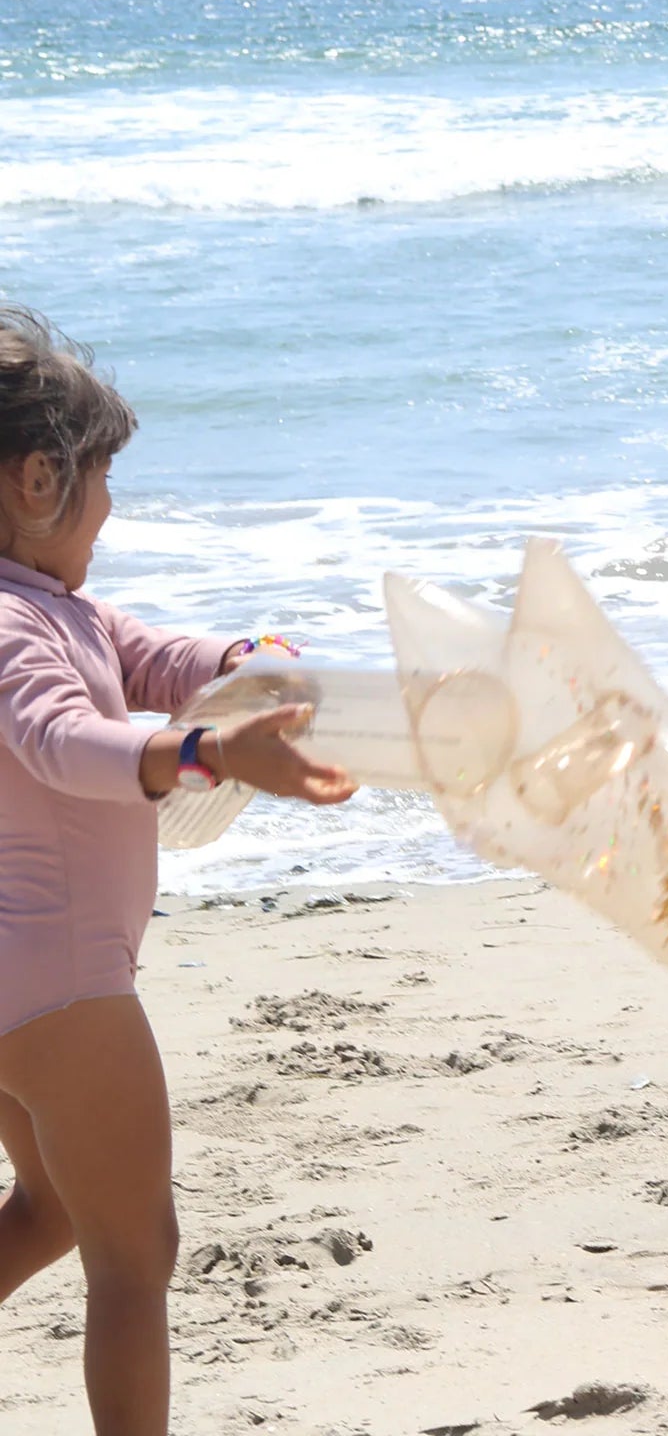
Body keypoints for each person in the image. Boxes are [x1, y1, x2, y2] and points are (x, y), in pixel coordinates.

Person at [0, 307, 355, 1436]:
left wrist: (243, 660)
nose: (107, 513)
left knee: (53, 1206)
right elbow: (64, 739)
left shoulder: (57, 605)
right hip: (64, 989)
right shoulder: (12, 625)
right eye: (102, 482)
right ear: (39, 477)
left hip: (20, 979)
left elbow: (153, 655)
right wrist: (199, 749)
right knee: (135, 1250)